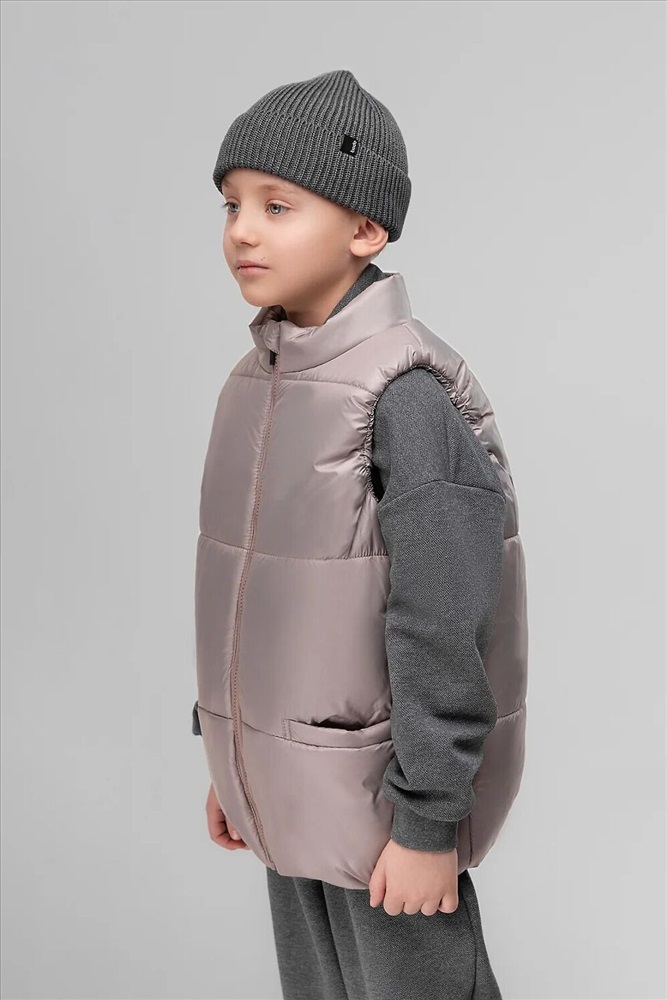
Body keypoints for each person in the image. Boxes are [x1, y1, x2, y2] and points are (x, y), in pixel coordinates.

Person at [193, 68, 528, 1000]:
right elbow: (253, 604)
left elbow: (444, 622)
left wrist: (427, 823)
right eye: (230, 204)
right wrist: (237, 763)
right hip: (292, 784)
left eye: (277, 205)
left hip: (389, 805)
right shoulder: (258, 386)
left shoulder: (404, 397)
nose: (242, 230)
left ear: (366, 230)